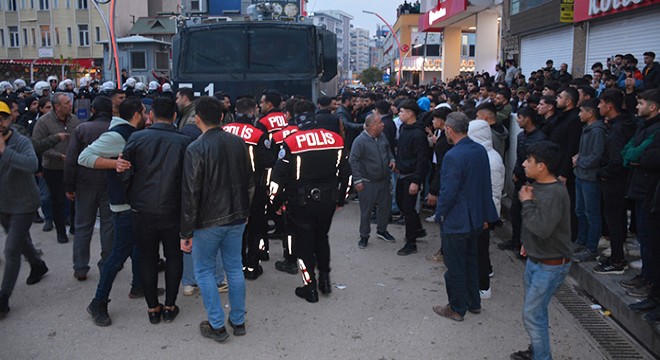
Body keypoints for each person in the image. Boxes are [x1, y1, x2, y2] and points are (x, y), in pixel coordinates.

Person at [180, 96, 254, 342]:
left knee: (204, 271)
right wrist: (245, 212)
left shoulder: (196, 148)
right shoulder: (238, 143)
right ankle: (238, 320)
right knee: (234, 268)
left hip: (208, 221)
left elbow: (190, 194)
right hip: (236, 217)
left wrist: (185, 232)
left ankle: (217, 324)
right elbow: (250, 183)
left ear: (196, 118)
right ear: (222, 117)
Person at [117, 97, 191, 324]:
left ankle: (152, 308)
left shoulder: (136, 138)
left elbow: (124, 171)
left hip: (142, 209)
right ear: (175, 116)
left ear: (151, 115)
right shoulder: (184, 142)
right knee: (174, 257)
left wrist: (133, 197)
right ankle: (169, 305)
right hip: (173, 210)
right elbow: (190, 180)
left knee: (147, 258)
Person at [270, 99, 349, 303]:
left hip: (301, 201)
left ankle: (310, 287)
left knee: (304, 244)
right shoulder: (335, 139)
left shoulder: (292, 142)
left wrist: (275, 203)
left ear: (295, 117)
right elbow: (346, 174)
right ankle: (325, 281)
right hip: (328, 200)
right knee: (322, 238)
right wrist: (342, 199)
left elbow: (278, 177)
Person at [79, 97, 146, 327]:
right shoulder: (117, 134)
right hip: (123, 205)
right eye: (144, 111)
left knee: (137, 248)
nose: (147, 116)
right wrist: (113, 164)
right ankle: (98, 302)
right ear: (137, 114)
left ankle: (138, 286)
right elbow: (84, 157)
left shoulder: (128, 132)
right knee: (118, 254)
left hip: (132, 202)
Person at [432, 112, 498, 322]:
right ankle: (473, 301)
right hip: (476, 218)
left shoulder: (453, 156)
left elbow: (448, 191)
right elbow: (485, 186)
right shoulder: (479, 150)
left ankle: (457, 307)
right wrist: (487, 215)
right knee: (470, 261)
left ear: (449, 130)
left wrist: (439, 213)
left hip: (457, 220)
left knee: (455, 266)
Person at [510, 141, 572, 360]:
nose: (525, 164)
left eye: (529, 160)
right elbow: (540, 225)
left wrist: (526, 202)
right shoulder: (539, 186)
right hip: (537, 259)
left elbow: (543, 229)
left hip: (551, 264)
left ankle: (541, 356)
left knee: (532, 313)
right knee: (536, 311)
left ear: (542, 166)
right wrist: (528, 242)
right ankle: (538, 350)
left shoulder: (553, 193)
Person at [0, 100, 49, 319]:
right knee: (20, 241)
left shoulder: (20, 141)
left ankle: (3, 297)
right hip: (3, 204)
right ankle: (38, 265)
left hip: (23, 203)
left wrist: (4, 151)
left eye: (2, 118)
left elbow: (32, 165)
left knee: (11, 249)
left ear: (9, 119)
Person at [62, 96, 114, 281]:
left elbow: (71, 160)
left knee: (83, 226)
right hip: (111, 184)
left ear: (93, 110)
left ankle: (80, 267)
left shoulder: (82, 129)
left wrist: (69, 185)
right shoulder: (116, 128)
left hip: (85, 184)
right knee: (109, 226)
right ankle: (107, 264)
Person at [223, 97, 276, 280]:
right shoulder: (257, 133)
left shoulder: (222, 131)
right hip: (254, 188)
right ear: (253, 111)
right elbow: (269, 161)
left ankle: (235, 267)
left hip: (225, 188)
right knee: (255, 227)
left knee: (233, 228)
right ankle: (252, 266)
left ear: (236, 111)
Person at [593, 89, 638, 274]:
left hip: (615, 181)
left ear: (609, 105)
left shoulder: (619, 128)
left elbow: (617, 159)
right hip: (618, 179)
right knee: (616, 218)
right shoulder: (621, 123)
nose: (598, 106)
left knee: (614, 218)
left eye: (601, 103)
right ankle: (616, 256)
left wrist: (604, 172)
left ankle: (617, 260)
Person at [620, 89, 660, 300]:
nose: (636, 107)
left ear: (653, 107)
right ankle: (646, 276)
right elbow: (628, 150)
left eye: (641, 103)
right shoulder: (643, 126)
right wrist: (634, 157)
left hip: (651, 192)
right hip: (639, 187)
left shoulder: (656, 129)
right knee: (644, 238)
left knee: (651, 241)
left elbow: (641, 155)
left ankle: (652, 281)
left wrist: (635, 158)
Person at [32, 92, 81, 245]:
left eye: (69, 102)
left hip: (73, 167)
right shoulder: (43, 122)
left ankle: (74, 226)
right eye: (66, 103)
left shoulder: (74, 120)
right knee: (57, 199)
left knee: (75, 198)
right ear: (57, 107)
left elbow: (80, 139)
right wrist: (59, 156)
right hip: (53, 167)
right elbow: (38, 145)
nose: (70, 105)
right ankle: (61, 232)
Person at [500, 107, 547, 253]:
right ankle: (515, 241)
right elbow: (520, 157)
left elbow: (539, 162)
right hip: (520, 179)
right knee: (515, 211)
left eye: (519, 118)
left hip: (532, 182)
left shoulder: (540, 138)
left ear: (527, 119)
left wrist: (531, 181)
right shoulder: (521, 136)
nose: (517, 120)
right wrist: (516, 172)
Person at [467, 119, 504, 300]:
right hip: (480, 211)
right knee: (479, 248)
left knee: (480, 249)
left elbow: (493, 192)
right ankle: (484, 273)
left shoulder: (490, 160)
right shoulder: (482, 155)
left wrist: (486, 216)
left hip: (484, 213)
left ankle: (483, 286)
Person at [350, 111, 396, 249]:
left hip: (383, 180)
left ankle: (382, 230)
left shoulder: (382, 137)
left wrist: (392, 159)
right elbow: (353, 160)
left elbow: (388, 150)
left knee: (384, 208)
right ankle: (364, 236)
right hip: (367, 182)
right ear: (372, 126)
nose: (383, 124)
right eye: (380, 122)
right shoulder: (360, 141)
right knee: (366, 211)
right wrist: (357, 180)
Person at [572, 99, 607, 262]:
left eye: (581, 111)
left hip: (590, 178)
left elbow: (596, 155)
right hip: (580, 175)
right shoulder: (586, 128)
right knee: (580, 211)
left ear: (590, 113)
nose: (579, 114)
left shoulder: (597, 130)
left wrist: (579, 161)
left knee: (591, 213)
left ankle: (591, 247)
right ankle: (581, 241)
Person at [394, 99, 429, 256]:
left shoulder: (418, 134)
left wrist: (416, 181)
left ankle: (411, 243)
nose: (399, 114)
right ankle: (418, 228)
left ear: (410, 114)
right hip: (401, 173)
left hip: (411, 176)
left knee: (408, 208)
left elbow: (422, 160)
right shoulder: (403, 128)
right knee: (401, 203)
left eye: (401, 112)